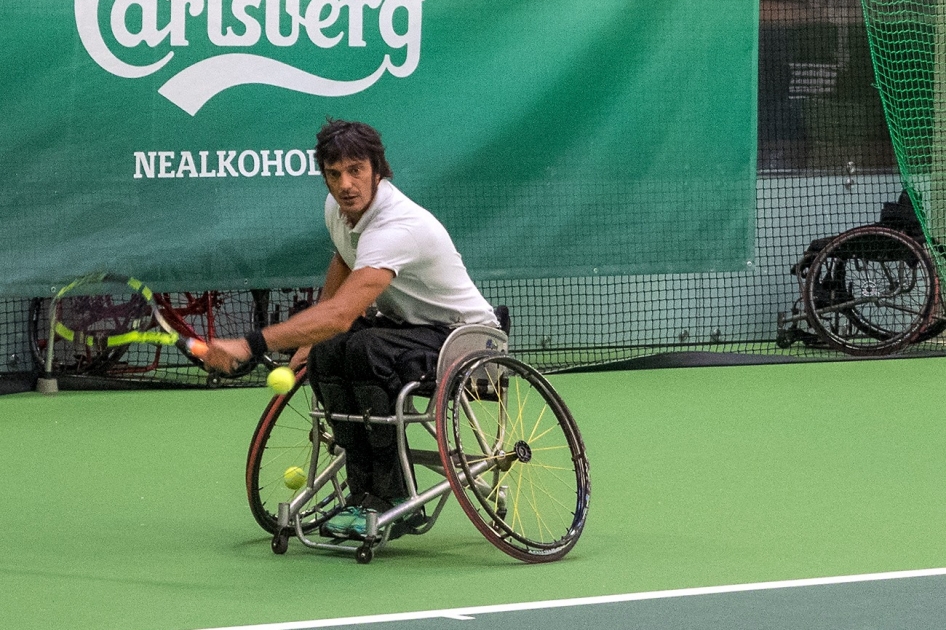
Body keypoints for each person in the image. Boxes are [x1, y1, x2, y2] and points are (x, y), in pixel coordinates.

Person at [203, 118, 499, 538]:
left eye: (356, 170)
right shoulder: (340, 210)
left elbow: (342, 315)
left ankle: (394, 497)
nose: (345, 184)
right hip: (403, 328)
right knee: (330, 351)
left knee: (363, 349)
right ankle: (364, 495)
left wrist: (249, 344)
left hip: (465, 337)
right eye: (334, 173)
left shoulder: (398, 226)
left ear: (378, 170)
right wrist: (313, 339)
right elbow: (346, 258)